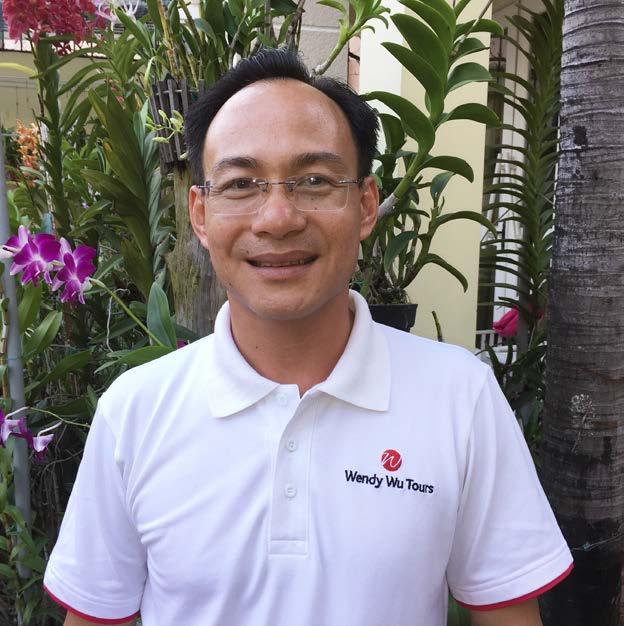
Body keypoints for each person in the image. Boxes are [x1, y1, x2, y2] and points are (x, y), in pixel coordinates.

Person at [43, 48, 573, 626]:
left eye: (315, 181)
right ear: (200, 214)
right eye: (241, 183)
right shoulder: (135, 411)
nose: (277, 218)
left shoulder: (460, 397)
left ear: (365, 205)